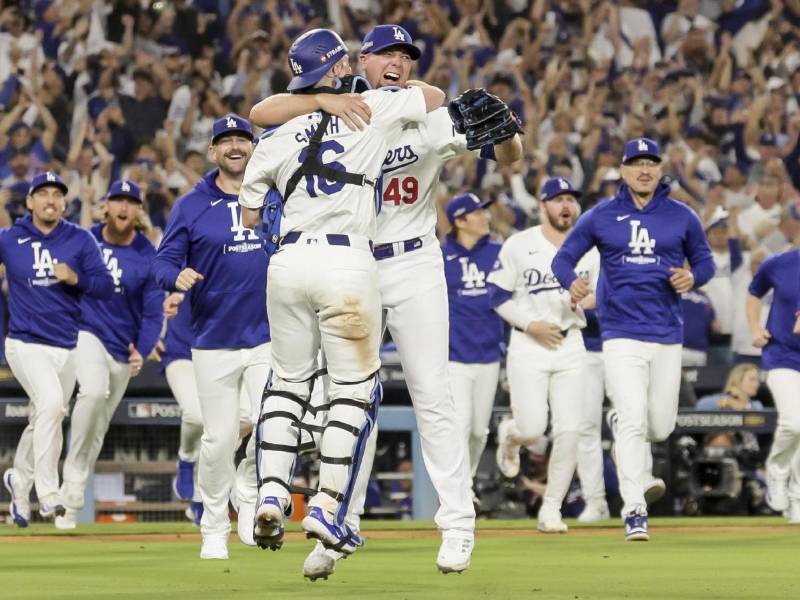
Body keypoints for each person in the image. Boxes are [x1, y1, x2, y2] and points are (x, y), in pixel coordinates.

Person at [248, 24, 522, 578]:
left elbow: (506, 155)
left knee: (432, 395)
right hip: (352, 265)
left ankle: (457, 524)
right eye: (386, 53)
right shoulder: (331, 111)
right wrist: (327, 95)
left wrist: (510, 131)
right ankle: (333, 526)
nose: (397, 61)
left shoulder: (417, 112)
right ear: (360, 62)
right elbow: (263, 109)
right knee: (349, 402)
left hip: (415, 260)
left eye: (406, 54)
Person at [238, 27, 444, 573]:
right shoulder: (374, 106)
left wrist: (315, 101)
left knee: (286, 384)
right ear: (337, 68)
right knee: (354, 389)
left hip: (286, 264)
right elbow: (435, 97)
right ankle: (327, 507)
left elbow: (251, 210)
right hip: (348, 261)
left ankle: (271, 496)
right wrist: (345, 98)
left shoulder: (277, 133)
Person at [552, 138, 715, 541]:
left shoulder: (682, 216)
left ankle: (621, 419)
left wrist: (693, 277)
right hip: (621, 333)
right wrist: (571, 282)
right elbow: (562, 259)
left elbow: (707, 262)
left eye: (650, 163)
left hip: (666, 333)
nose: (644, 170)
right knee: (633, 424)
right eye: (635, 163)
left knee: (659, 426)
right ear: (623, 171)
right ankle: (634, 509)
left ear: (660, 169)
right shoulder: (601, 215)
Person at [152, 114, 270, 560]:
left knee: (273, 426)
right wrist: (174, 277)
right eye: (227, 142)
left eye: (243, 139)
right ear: (213, 152)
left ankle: (252, 488)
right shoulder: (191, 204)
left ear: (253, 149)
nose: (236, 147)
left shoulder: (274, 194)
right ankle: (213, 526)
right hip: (213, 339)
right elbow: (162, 263)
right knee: (219, 439)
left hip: (268, 337)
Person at [1, 171, 114, 527]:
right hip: (24, 342)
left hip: (66, 346)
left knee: (43, 418)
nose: (51, 200)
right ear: (30, 201)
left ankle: (18, 483)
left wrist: (76, 278)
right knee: (51, 405)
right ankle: (49, 496)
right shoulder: (9, 239)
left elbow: (106, 287)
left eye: (57, 194)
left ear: (65, 202)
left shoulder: (79, 239)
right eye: (43, 194)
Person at [490, 177, 600, 533]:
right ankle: (511, 434)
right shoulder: (520, 244)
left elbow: (598, 297)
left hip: (570, 343)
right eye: (558, 200)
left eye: (571, 199)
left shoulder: (590, 249)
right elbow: (498, 297)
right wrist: (529, 324)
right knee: (534, 428)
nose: (566, 206)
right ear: (543, 205)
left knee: (570, 430)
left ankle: (551, 508)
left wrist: (584, 299)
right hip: (530, 344)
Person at [55, 180, 163, 529]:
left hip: (121, 347)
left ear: (138, 209)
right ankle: (69, 490)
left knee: (98, 429)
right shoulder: (85, 240)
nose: (123, 206)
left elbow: (152, 313)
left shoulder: (147, 253)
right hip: (85, 333)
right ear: (106, 206)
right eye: (117, 199)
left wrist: (143, 350)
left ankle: (71, 498)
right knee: (93, 390)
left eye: (131, 201)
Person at [441, 193, 504, 506]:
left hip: (489, 353)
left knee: (479, 430)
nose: (485, 217)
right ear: (460, 221)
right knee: (460, 425)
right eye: (478, 213)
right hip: (454, 356)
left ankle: (466, 483)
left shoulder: (499, 252)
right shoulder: (440, 257)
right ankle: (461, 495)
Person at [747, 247, 800, 523]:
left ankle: (798, 497)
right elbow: (754, 292)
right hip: (783, 355)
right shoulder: (780, 263)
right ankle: (777, 471)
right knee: (793, 422)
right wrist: (755, 328)